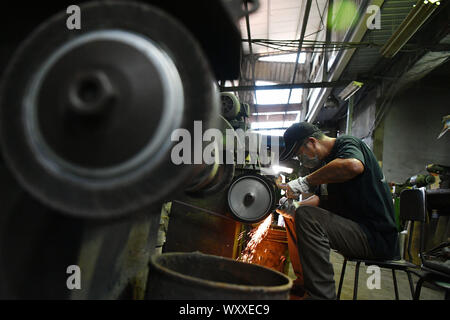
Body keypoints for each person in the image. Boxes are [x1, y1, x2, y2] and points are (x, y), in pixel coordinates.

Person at [275, 122, 399, 300]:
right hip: (356, 231)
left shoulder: (347, 144)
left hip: (376, 237)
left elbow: (353, 166)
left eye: (300, 153)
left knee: (306, 216)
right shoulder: (327, 165)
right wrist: (291, 208)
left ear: (312, 142)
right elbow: (320, 199)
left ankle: (321, 296)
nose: (301, 160)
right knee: (295, 215)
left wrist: (304, 182)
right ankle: (304, 280)